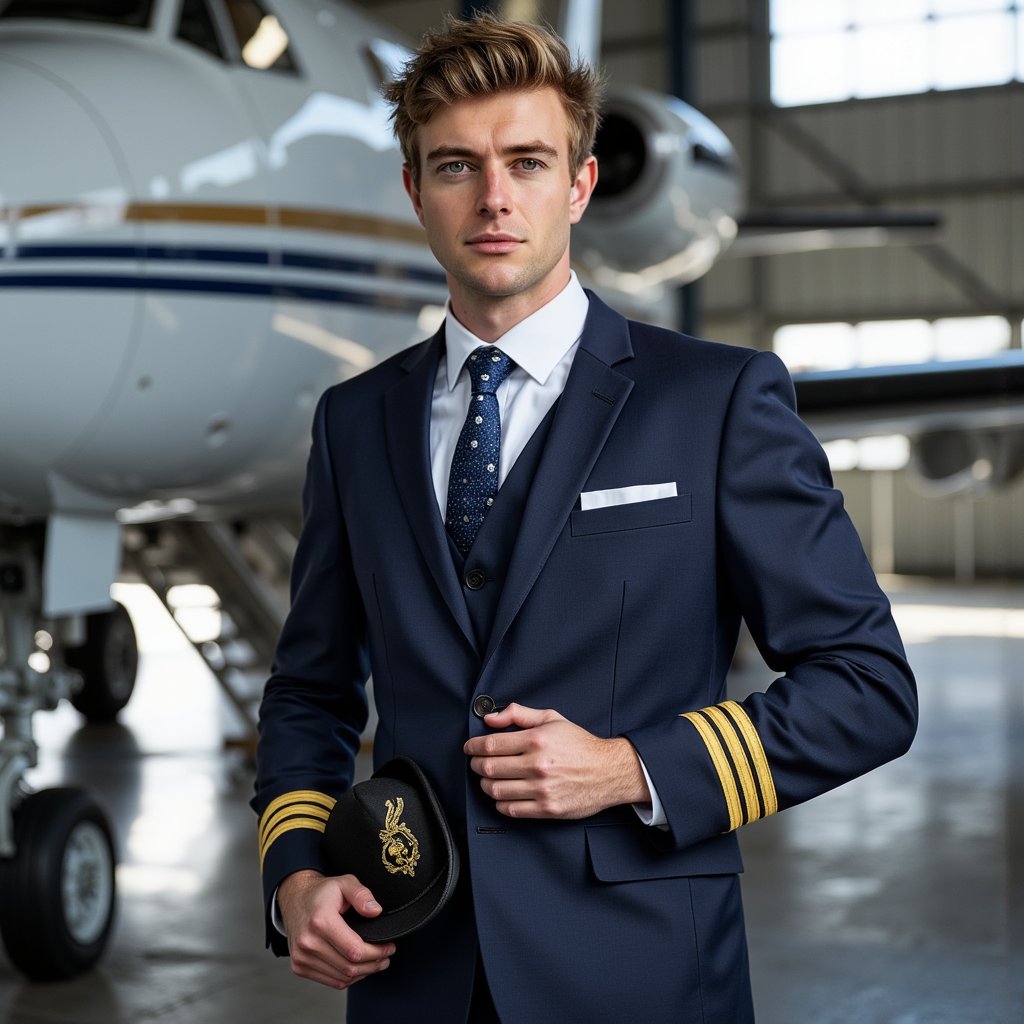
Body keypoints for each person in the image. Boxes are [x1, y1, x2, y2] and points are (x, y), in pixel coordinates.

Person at [252, 13, 917, 1023]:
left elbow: (867, 687)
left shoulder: (715, 400)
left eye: (527, 162)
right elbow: (310, 688)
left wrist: (630, 767)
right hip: (411, 974)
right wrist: (297, 873)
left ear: (579, 185)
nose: (494, 198)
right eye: (456, 167)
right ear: (415, 191)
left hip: (639, 972)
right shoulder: (354, 421)